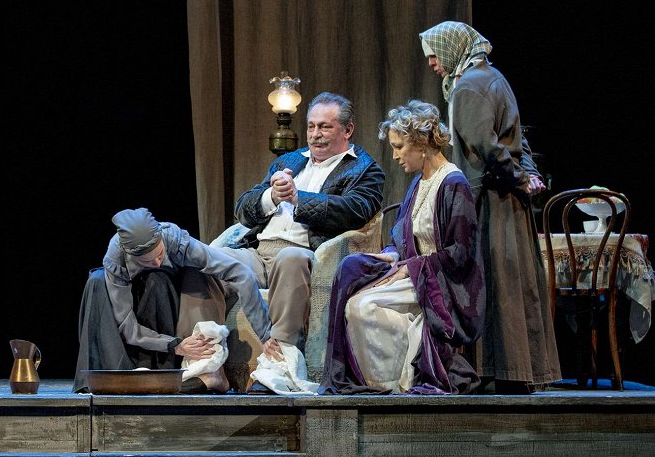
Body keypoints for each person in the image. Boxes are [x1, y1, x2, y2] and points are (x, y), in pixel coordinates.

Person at [418, 21, 560, 394]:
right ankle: (517, 370)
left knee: (490, 282)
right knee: (511, 282)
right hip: (506, 198)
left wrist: (519, 176)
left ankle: (494, 369)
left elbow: (487, 147)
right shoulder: (493, 78)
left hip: (487, 202)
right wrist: (526, 175)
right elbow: (516, 140)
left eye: (434, 54)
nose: (431, 63)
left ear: (452, 49)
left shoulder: (469, 86)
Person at [322, 100, 484, 394]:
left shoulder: (453, 183)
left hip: (441, 284)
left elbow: (461, 253)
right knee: (353, 290)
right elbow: (403, 238)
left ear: (421, 143)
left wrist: (413, 268)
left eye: (399, 147)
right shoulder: (418, 183)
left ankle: (402, 377)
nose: (395, 156)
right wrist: (389, 255)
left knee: (363, 307)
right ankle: (388, 377)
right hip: (415, 275)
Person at [231, 92, 385, 385]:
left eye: (325, 127)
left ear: (348, 130)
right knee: (212, 263)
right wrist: (271, 196)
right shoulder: (290, 160)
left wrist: (298, 198)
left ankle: (281, 365)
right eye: (312, 126)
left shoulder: (364, 170)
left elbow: (355, 210)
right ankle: (204, 358)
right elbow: (243, 208)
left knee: (290, 258)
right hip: (258, 252)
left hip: (304, 254)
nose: (315, 135)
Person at [74, 207, 271, 394]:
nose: (157, 262)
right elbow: (127, 325)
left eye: (160, 254)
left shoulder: (174, 239)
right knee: (96, 281)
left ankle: (177, 371)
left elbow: (240, 273)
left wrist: (265, 335)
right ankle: (119, 376)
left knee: (159, 278)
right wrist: (174, 345)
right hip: (139, 299)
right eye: (147, 261)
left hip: (171, 292)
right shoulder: (116, 258)